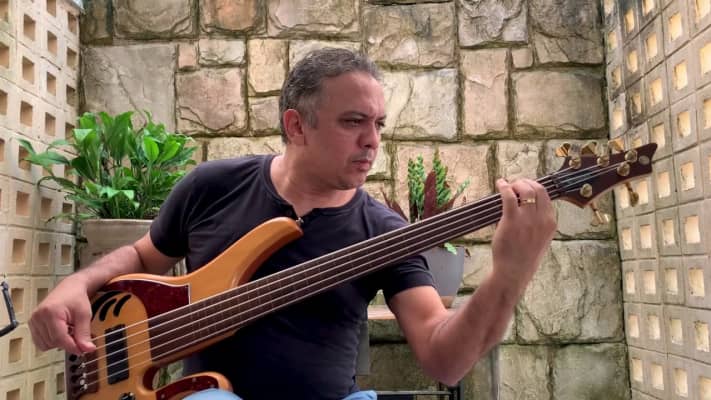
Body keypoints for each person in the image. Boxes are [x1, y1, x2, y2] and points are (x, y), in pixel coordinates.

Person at [28, 48, 557, 400]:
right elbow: (144, 257)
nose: (373, 140)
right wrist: (78, 285)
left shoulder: (384, 230)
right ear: (296, 125)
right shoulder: (213, 186)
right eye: (354, 122)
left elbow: (444, 360)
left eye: (378, 124)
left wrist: (509, 275)